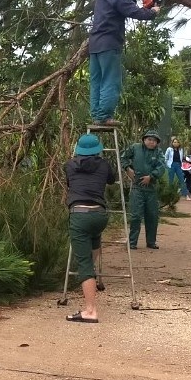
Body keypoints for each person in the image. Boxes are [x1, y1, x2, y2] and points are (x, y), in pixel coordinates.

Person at [88, 0, 159, 124]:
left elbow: (119, 1)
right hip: (109, 43)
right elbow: (136, 12)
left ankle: (96, 116)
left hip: (94, 44)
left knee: (97, 81)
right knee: (110, 80)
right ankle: (105, 116)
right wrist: (153, 12)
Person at [64, 133, 117, 323]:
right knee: (94, 243)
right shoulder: (103, 165)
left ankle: (90, 310)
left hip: (79, 215)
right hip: (99, 215)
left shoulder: (69, 165)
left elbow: (71, 184)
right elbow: (112, 179)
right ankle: (91, 281)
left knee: (84, 265)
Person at [121, 129, 165, 249]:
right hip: (137, 187)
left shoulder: (158, 152)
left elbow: (162, 167)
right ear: (144, 140)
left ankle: (151, 242)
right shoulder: (135, 148)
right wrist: (128, 169)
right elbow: (123, 157)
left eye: (154, 140)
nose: (151, 142)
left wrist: (151, 176)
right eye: (149, 139)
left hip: (151, 188)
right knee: (135, 216)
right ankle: (132, 242)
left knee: (152, 216)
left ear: (157, 143)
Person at [163, 137, 190, 201]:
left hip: (178, 165)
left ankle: (186, 195)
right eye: (174, 142)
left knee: (182, 180)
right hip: (171, 165)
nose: (176, 143)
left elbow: (182, 158)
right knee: (170, 181)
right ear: (172, 143)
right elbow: (165, 158)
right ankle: (169, 196)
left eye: (177, 142)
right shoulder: (169, 149)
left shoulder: (180, 150)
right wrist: (167, 165)